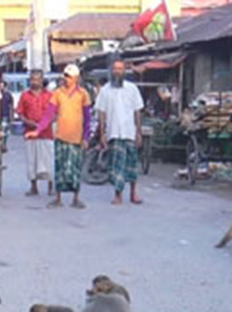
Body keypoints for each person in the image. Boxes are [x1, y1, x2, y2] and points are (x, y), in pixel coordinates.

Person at [27, 64, 90, 209]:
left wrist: (86, 137)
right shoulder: (58, 93)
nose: (67, 79)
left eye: (69, 77)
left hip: (77, 137)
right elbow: (49, 114)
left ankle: (76, 198)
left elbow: (87, 118)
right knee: (60, 168)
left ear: (76, 78)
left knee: (75, 169)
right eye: (65, 76)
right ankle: (58, 198)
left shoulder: (83, 94)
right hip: (61, 136)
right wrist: (38, 130)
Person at [95, 59, 144, 205]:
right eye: (115, 69)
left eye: (120, 69)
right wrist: (102, 133)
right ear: (111, 71)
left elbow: (137, 111)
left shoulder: (132, 89)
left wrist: (139, 132)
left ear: (124, 72)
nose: (117, 71)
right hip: (114, 133)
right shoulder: (105, 91)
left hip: (129, 132)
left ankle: (133, 193)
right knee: (116, 166)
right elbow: (101, 113)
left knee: (132, 164)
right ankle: (118, 195)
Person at [16, 69, 54, 196]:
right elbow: (20, 114)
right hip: (30, 132)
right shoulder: (25, 96)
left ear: (42, 80)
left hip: (47, 133)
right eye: (33, 79)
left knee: (49, 160)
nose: (35, 82)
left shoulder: (49, 96)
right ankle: (34, 187)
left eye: (38, 79)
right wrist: (29, 122)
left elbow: (55, 113)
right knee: (32, 161)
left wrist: (45, 124)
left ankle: (51, 186)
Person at [0, 79, 13, 152]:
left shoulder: (8, 95)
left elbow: (11, 106)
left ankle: (4, 144)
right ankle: (0, 145)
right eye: (0, 86)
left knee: (5, 132)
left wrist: (12, 116)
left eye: (2, 86)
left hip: (5, 115)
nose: (1, 88)